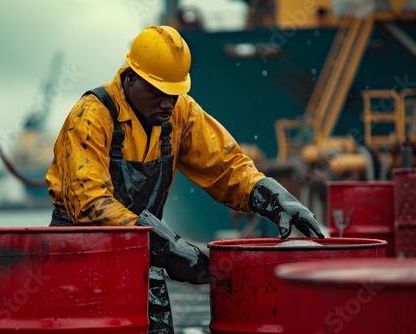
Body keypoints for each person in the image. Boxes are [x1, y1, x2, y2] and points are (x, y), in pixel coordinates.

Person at [46, 25, 324, 333]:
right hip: (79, 264)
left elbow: (224, 166)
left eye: (175, 94)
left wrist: (269, 195)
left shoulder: (180, 113)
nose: (168, 103)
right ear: (131, 77)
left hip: (143, 261)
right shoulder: (90, 118)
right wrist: (168, 247)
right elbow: (89, 204)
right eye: (159, 92)